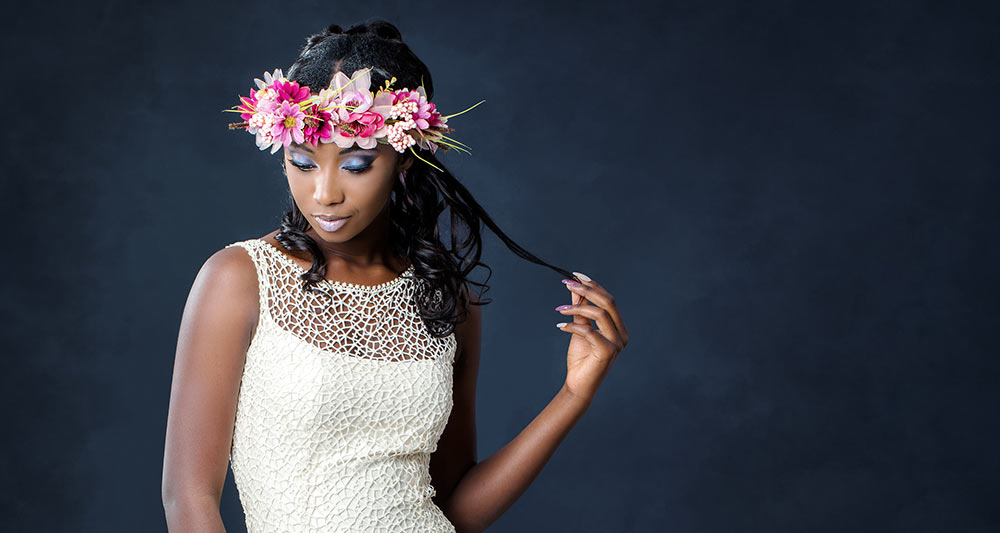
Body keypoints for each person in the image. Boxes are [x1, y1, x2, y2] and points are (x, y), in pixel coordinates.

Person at [161, 18, 629, 533]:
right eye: (302, 161)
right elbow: (189, 496)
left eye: (357, 164)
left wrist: (573, 396)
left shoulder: (446, 297)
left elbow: (456, 508)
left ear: (404, 157)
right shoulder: (240, 277)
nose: (325, 193)